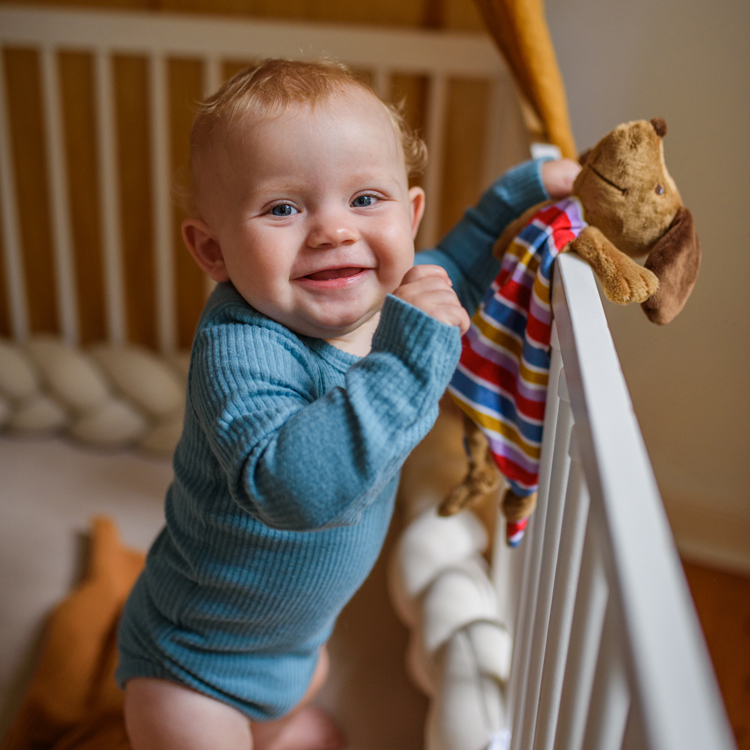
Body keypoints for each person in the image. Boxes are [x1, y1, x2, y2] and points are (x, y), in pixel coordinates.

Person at [116, 58, 580, 750]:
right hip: (191, 662)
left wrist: (531, 189)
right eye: (283, 208)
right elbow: (295, 487)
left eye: (365, 200)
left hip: (295, 646)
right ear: (212, 250)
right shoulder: (241, 348)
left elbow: (463, 260)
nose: (333, 229)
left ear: (410, 214)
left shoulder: (381, 299)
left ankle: (280, 727)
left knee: (294, 714)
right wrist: (403, 361)